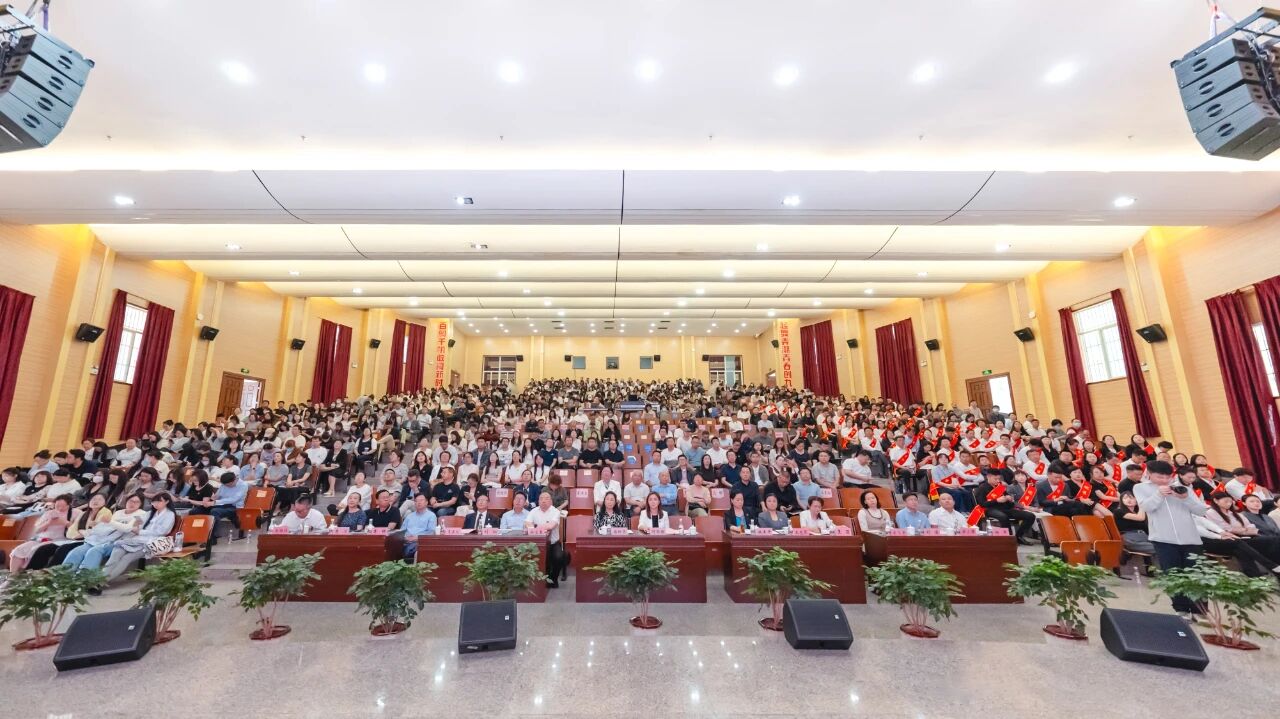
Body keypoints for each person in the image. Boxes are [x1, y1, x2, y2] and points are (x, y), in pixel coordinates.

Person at [1135, 460, 1210, 616]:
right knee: (1172, 574)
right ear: (1149, 474)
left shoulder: (1183, 488)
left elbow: (1202, 511)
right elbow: (1147, 507)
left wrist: (1185, 498)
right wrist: (1159, 494)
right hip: (1163, 539)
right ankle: (1181, 609)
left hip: (1191, 538)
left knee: (1196, 574)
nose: (1164, 480)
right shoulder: (1140, 488)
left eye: (1167, 477)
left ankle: (1200, 610)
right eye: (1159, 477)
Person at [102, 493, 177, 583]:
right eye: (154, 502)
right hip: (136, 539)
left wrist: (140, 531)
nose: (156, 504)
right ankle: (99, 579)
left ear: (167, 502)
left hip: (150, 542)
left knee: (126, 558)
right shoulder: (150, 513)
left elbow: (162, 532)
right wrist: (136, 525)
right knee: (116, 554)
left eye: (159, 501)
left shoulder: (169, 514)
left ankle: (103, 582)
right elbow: (138, 524)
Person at [62, 494, 146, 571]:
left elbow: (128, 528)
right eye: (131, 501)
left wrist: (110, 522)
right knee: (76, 551)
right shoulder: (118, 512)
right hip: (103, 538)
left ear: (141, 504)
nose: (133, 504)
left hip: (119, 542)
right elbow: (108, 527)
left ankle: (85, 576)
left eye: (136, 502)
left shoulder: (141, 514)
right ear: (126, 501)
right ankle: (63, 574)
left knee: (94, 551)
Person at [7, 495, 73, 571]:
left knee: (36, 550)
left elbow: (76, 530)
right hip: (41, 539)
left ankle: (29, 574)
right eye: (57, 506)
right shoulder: (48, 513)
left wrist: (65, 523)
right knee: (19, 549)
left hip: (60, 541)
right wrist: (48, 523)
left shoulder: (75, 512)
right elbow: (36, 530)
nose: (60, 508)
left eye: (63, 506)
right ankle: (13, 575)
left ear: (69, 505)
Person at [975, 472, 1036, 544]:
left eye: (999, 479)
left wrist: (1009, 498)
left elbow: (1008, 500)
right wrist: (996, 500)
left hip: (1005, 508)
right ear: (988, 477)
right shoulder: (982, 488)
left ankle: (1019, 536)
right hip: (990, 509)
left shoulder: (999, 487)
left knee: (1030, 516)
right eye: (995, 479)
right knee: (1003, 517)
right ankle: (1009, 539)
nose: (998, 481)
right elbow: (982, 504)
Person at [525, 491, 566, 587]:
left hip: (553, 543)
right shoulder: (534, 511)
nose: (544, 500)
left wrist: (535, 528)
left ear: (551, 501)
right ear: (538, 501)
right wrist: (533, 528)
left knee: (559, 557)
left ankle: (553, 579)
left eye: (547, 498)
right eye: (541, 498)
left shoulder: (555, 511)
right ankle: (539, 581)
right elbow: (527, 523)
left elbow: (551, 526)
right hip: (537, 543)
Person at [401, 494, 439, 559]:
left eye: (421, 500)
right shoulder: (409, 516)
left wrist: (417, 538)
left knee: (410, 549)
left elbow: (431, 532)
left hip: (419, 541)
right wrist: (405, 538)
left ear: (426, 502)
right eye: (416, 501)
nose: (419, 502)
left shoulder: (431, 516)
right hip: (406, 541)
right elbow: (402, 530)